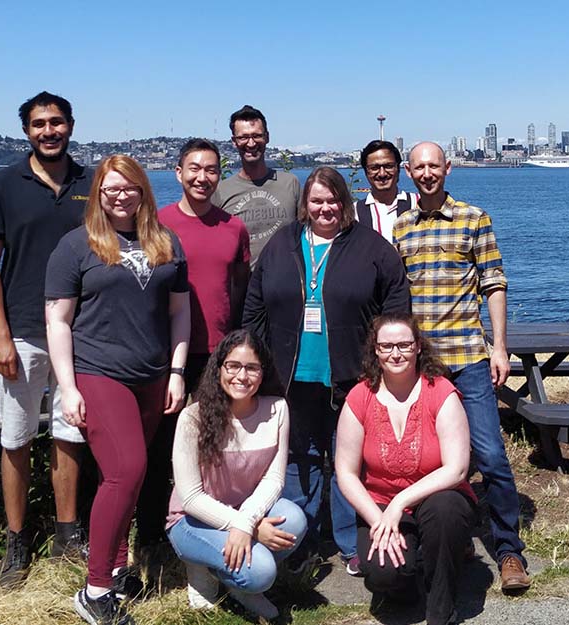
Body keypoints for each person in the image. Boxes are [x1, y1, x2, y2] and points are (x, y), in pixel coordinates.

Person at [242, 166, 411, 577]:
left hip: (351, 374)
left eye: (332, 200)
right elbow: (255, 306)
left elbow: (396, 306)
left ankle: (348, 540)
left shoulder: (370, 247)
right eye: (316, 200)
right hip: (290, 375)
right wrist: (257, 360)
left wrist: (384, 363)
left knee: (346, 460)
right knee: (300, 455)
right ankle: (301, 537)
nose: (325, 208)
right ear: (305, 204)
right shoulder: (283, 244)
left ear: (345, 203)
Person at [45, 155, 191, 625]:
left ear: (143, 190)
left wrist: (176, 371)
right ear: (98, 195)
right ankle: (95, 589)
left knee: (126, 478)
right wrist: (67, 387)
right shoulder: (76, 246)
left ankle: (116, 565)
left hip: (151, 376)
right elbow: (58, 320)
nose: (120, 195)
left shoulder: (166, 242)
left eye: (129, 187)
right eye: (111, 189)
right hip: (97, 373)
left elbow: (179, 313)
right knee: (126, 472)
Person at [394, 141, 531, 592]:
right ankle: (446, 541)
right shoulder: (402, 227)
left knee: (489, 455)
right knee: (424, 460)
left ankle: (509, 550)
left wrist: (500, 347)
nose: (427, 173)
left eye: (434, 165)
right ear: (409, 173)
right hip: (420, 368)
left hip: (468, 360)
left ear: (447, 168)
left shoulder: (475, 219)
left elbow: (494, 284)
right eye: (419, 167)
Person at [0, 91, 92, 587]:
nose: (49, 131)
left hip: (81, 333)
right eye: (40, 124)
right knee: (16, 438)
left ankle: (68, 534)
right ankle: (17, 540)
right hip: (22, 332)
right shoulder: (3, 184)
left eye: (57, 122)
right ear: (26, 130)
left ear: (70, 126)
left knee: (71, 435)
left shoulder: (91, 182)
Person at [135, 139, 251, 549]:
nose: (203, 177)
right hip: (165, 356)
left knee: (215, 451)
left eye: (212, 170)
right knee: (160, 449)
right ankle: (150, 538)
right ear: (178, 173)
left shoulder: (233, 227)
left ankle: (210, 535)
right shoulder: (156, 225)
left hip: (217, 358)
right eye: (194, 169)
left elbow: (238, 290)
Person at [334, 313, 477, 625]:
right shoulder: (360, 396)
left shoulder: (440, 391)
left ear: (418, 348)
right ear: (375, 350)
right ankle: (417, 575)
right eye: (386, 346)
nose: (395, 353)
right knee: (384, 574)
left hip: (436, 498)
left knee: (446, 510)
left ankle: (441, 609)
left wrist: (400, 503)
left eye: (403, 345)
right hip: (380, 504)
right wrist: (379, 519)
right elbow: (345, 471)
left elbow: (456, 469)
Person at [166, 329, 304, 620]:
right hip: (192, 520)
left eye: (252, 368)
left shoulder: (277, 409)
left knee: (294, 521)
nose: (242, 376)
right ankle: (203, 566)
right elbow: (190, 498)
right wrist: (246, 526)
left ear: (263, 372)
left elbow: (274, 479)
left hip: (243, 511)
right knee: (263, 571)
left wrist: (247, 521)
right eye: (233, 366)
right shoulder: (193, 418)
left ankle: (235, 583)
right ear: (219, 368)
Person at [211, 105, 300, 263]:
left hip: (286, 281)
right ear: (234, 141)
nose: (251, 143)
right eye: (243, 137)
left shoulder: (290, 184)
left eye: (256, 136)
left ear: (267, 137)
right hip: (243, 284)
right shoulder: (220, 191)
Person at [354, 140, 414, 242]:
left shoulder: (417, 204)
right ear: (366, 172)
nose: (382, 173)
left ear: (398, 169)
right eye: (374, 168)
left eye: (388, 166)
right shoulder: (354, 213)